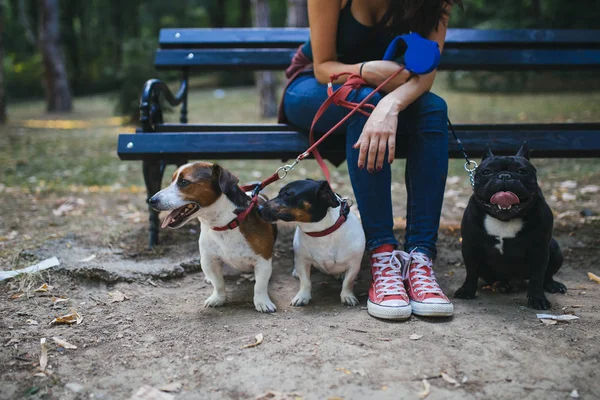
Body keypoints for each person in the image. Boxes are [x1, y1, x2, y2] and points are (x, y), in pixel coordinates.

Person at [279, 0, 463, 320]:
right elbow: (322, 66)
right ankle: (382, 255)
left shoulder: (436, 2)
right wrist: (364, 71)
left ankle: (420, 257)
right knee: (365, 101)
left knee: (434, 109)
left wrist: (388, 107)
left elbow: (426, 77)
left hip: (386, 92)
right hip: (316, 83)